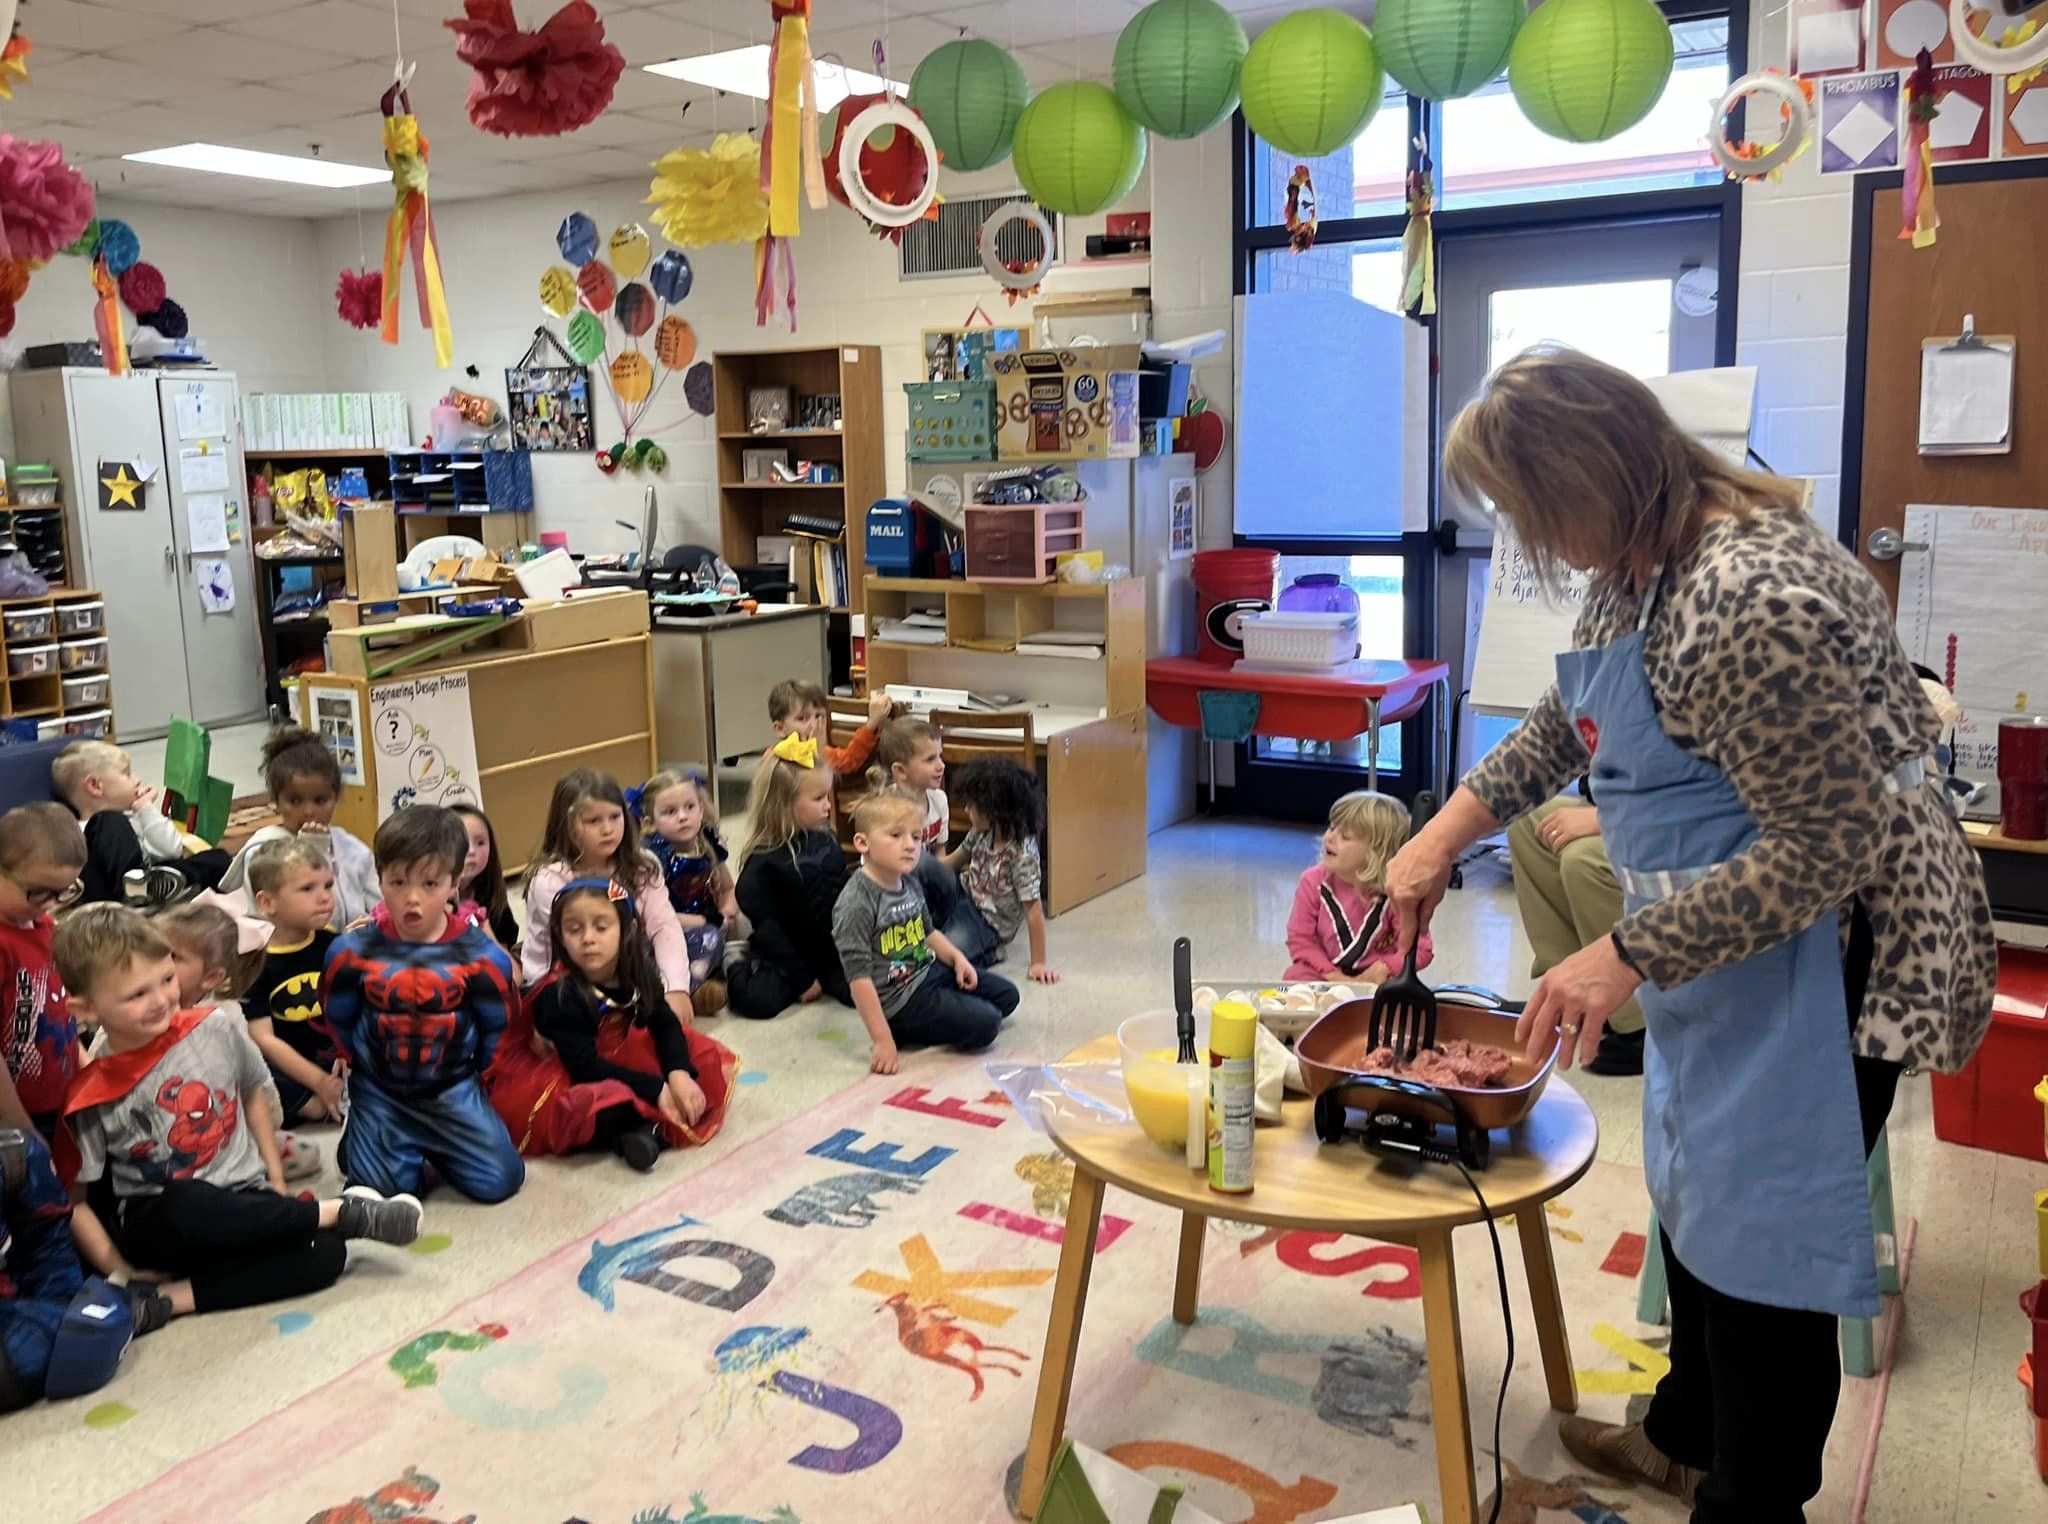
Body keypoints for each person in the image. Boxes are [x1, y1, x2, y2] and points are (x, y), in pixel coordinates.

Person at [1384, 347, 1996, 1523]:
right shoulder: (1636, 563)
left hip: (1833, 953)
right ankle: (1680, 1439)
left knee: (1765, 1243)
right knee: (1700, 1193)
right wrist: (1438, 832)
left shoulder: (1746, 593)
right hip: (1727, 931)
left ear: (1594, 477)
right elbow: (1574, 724)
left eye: (1529, 512)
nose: (1530, 540)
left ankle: (1751, 1500)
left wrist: (1618, 953)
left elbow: (1823, 850)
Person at [55, 906, 423, 1324]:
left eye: (168, 979)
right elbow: (77, 1204)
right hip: (165, 1221)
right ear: (84, 1010)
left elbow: (251, 1094)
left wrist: (276, 1180)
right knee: (186, 1197)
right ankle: (338, 1211)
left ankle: (167, 1300)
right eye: (137, 994)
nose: (161, 1000)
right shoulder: (91, 1093)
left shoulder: (214, 1026)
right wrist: (118, 1268)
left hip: (243, 1201)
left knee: (327, 1254)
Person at [323, 807, 524, 1204]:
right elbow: (339, 1016)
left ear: (454, 882)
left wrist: (476, 1078)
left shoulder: (483, 958)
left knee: (500, 1181)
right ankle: (372, 1137)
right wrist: (353, 1058)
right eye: (397, 882)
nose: (411, 899)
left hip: (451, 1088)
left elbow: (497, 1027)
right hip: (381, 1088)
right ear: (379, 879)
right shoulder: (350, 952)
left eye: (430, 883)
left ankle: (413, 1147)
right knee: (375, 1194)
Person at [488, 880, 735, 1170]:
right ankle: (632, 1134)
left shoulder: (639, 973)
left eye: (601, 927)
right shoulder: (562, 994)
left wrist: (678, 1073)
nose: (588, 938)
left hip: (623, 1053)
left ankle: (645, 1128)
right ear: (560, 936)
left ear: (627, 930)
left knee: (693, 1069)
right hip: (575, 1072)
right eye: (574, 929)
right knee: (594, 1107)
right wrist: (657, 1087)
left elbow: (666, 1024)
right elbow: (584, 1069)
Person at [833, 790, 1017, 1077]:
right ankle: (904, 1029)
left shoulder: (908, 880)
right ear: (862, 843)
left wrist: (957, 958)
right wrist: (882, 1039)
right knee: (988, 1024)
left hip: (928, 972)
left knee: (1008, 997)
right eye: (896, 836)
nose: (910, 846)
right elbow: (858, 980)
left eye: (916, 837)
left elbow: (928, 932)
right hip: (901, 1001)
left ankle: (944, 1009)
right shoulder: (856, 903)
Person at [154, 902, 321, 1185]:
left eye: (172, 956)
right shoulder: (142, 1013)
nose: (159, 964)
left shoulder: (225, 1016)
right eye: (155, 953)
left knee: (307, 1154)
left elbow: (257, 1089)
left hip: (229, 1130)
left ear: (211, 977)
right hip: (171, 1139)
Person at [522, 770, 695, 1025]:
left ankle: (672, 993)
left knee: (704, 939)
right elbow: (573, 950)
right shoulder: (551, 881)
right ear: (567, 824)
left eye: (615, 817)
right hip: (571, 970)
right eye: (593, 821)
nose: (608, 829)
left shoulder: (643, 865)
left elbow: (664, 925)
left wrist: (676, 988)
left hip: (630, 957)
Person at [1505, 793, 1645, 1075]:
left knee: (1583, 860)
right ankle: (1571, 997)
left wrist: (1606, 820)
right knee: (1524, 819)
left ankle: (1637, 1025)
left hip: (1686, 827)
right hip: (1627, 805)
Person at [727, 737, 850, 1019]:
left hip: (829, 949)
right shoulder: (763, 863)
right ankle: (733, 957)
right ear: (784, 805)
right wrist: (802, 979)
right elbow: (770, 931)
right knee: (756, 1001)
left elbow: (842, 896)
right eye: (819, 799)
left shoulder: (827, 841)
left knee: (866, 991)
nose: (828, 806)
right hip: (786, 952)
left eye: (827, 796)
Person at [219, 728, 381, 929]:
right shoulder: (262, 853)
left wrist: (375, 925)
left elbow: (379, 903)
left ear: (335, 798)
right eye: (295, 801)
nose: (308, 811)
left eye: (320, 800)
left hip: (355, 947)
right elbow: (274, 925)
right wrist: (314, 848)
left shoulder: (351, 847)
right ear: (276, 801)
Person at [243, 840, 346, 1126]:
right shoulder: (255, 962)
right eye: (308, 889)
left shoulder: (333, 944)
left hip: (337, 1059)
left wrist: (349, 1054)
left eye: (327, 885)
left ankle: (332, 1100)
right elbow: (263, 1039)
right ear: (267, 902)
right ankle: (312, 1105)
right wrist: (320, 1082)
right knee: (248, 1073)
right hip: (289, 1068)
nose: (325, 897)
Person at [51, 741, 229, 902]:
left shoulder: (135, 820)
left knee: (217, 858)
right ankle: (139, 891)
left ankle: (151, 891)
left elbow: (171, 851)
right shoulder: (81, 832)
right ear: (95, 786)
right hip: (110, 901)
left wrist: (146, 809)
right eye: (126, 774)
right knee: (110, 820)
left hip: (150, 885)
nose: (137, 780)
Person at [0, 803, 84, 1143]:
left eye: (64, 891)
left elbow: (60, 1011)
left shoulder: (43, 923)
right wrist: (25, 1130)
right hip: (17, 1116)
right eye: (38, 892)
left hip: (59, 1099)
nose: (50, 903)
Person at [1285, 790, 1431, 983]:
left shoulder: (1396, 892)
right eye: (1332, 828)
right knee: (1293, 979)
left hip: (1376, 978)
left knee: (1399, 992)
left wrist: (1385, 968)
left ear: (1375, 852)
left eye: (1345, 836)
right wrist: (1334, 976)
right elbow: (1301, 940)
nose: (1329, 838)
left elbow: (1421, 949)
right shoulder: (1312, 882)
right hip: (1324, 974)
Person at [937, 759, 1057, 983]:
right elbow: (954, 861)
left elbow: (1034, 911)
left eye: (971, 806)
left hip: (987, 923)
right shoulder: (981, 831)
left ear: (993, 811)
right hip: (964, 896)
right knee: (925, 869)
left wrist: (1039, 963)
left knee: (946, 953)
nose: (966, 810)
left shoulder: (1022, 854)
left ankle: (989, 951)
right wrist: (918, 868)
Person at [635, 769, 736, 1015]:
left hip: (701, 923)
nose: (683, 817)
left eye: (690, 807)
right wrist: (707, 921)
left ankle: (699, 980)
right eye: (670, 812)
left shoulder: (707, 841)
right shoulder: (652, 858)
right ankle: (676, 993)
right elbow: (654, 920)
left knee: (742, 924)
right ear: (650, 823)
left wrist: (727, 912)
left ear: (701, 809)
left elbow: (728, 887)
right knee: (708, 937)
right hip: (662, 931)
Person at [768, 679, 892, 781]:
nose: (814, 724)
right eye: (802, 719)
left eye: (818, 716)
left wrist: (872, 723)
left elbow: (848, 759)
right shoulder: (775, 760)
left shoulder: (822, 751)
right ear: (780, 729)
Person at [449, 804, 518, 957]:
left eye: (480, 843)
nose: (471, 851)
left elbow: (506, 957)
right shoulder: (432, 901)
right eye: (462, 842)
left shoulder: (491, 896)